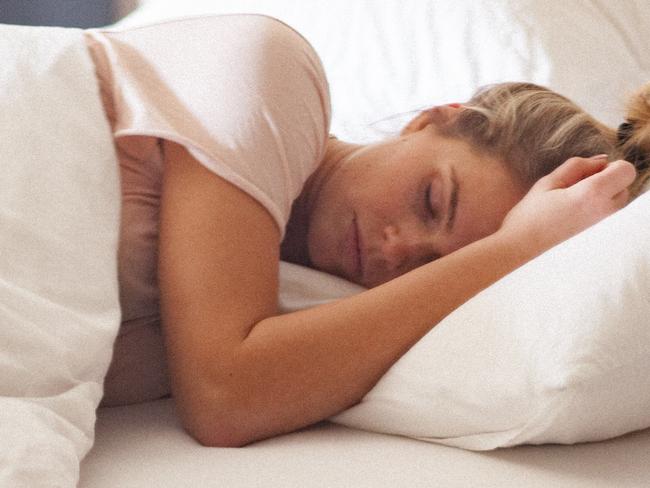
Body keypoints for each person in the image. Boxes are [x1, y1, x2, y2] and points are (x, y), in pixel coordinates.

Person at [84, 14, 645, 447]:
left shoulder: (311, 312)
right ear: (432, 119)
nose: (395, 250)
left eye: (434, 266)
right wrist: (517, 247)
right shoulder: (270, 72)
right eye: (431, 201)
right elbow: (225, 395)